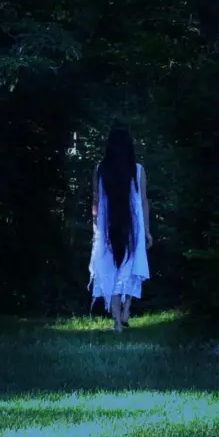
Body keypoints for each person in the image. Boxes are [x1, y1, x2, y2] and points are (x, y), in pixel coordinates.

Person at [89, 127, 152, 331]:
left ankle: (117, 321)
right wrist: (147, 231)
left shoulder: (100, 170)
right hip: (133, 228)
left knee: (110, 269)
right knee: (130, 267)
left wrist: (95, 230)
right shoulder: (138, 170)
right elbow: (143, 201)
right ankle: (126, 309)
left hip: (107, 227)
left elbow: (96, 201)